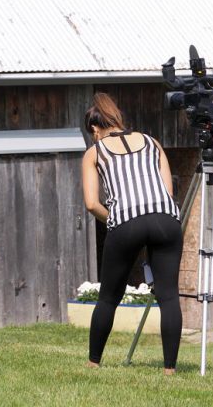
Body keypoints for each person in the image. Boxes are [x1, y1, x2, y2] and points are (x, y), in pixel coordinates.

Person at [82, 92, 183, 375]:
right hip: (166, 218)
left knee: (108, 297)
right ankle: (170, 369)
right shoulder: (152, 142)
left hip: (127, 222)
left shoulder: (95, 152)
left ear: (94, 128)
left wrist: (114, 218)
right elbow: (167, 191)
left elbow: (91, 203)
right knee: (169, 296)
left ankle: (93, 361)